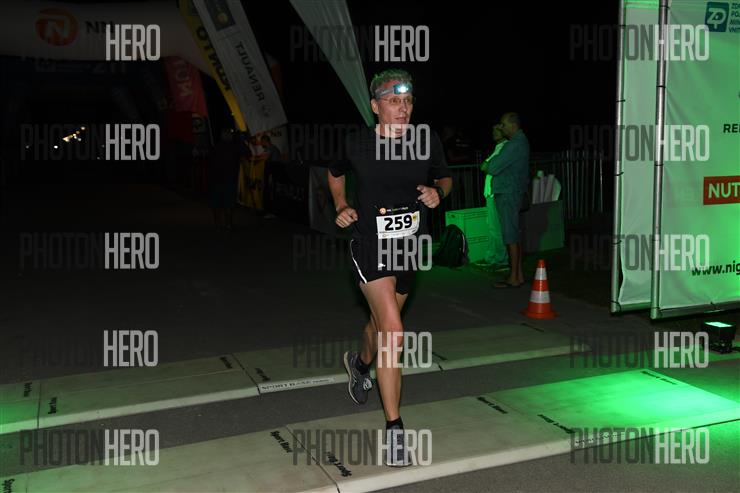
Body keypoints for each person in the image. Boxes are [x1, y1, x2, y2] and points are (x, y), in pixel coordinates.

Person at [328, 68, 452, 467]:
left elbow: (445, 178)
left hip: (409, 248)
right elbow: (334, 173)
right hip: (370, 245)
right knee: (394, 331)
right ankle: (395, 429)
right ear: (375, 106)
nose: (403, 109)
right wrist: (341, 205)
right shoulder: (357, 143)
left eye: (408, 101)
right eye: (394, 101)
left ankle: (359, 363)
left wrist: (437, 192)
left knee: (380, 325)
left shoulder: (426, 140)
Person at [487, 112, 529, 287]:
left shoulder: (514, 145)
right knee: (513, 234)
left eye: (503, 124)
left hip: (508, 193)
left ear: (513, 125)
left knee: (510, 235)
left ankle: (513, 277)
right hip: (512, 192)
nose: (501, 127)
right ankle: (518, 275)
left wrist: (493, 162)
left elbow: (492, 167)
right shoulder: (519, 143)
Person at [477, 124, 509, 268]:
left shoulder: (505, 147)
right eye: (493, 130)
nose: (494, 132)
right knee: (492, 226)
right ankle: (492, 257)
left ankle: (501, 259)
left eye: (498, 130)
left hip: (497, 192)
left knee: (497, 227)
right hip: (491, 192)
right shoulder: (498, 147)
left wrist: (488, 164)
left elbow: (485, 166)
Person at [208, 127, 248, 231]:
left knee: (217, 202)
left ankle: (218, 223)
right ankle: (228, 224)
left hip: (216, 179)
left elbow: (210, 162)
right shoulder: (235, 146)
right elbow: (246, 155)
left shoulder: (216, 146)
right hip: (229, 179)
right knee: (228, 202)